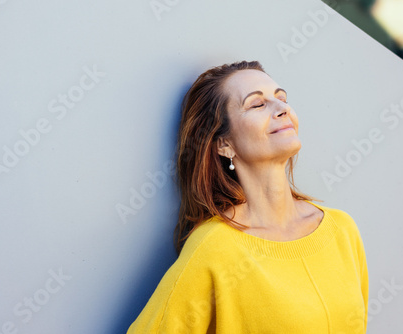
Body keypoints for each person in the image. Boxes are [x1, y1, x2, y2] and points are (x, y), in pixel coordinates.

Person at [127, 60, 369, 333]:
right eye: (257, 104)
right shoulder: (214, 247)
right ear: (224, 144)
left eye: (282, 98)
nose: (282, 109)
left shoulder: (342, 230)